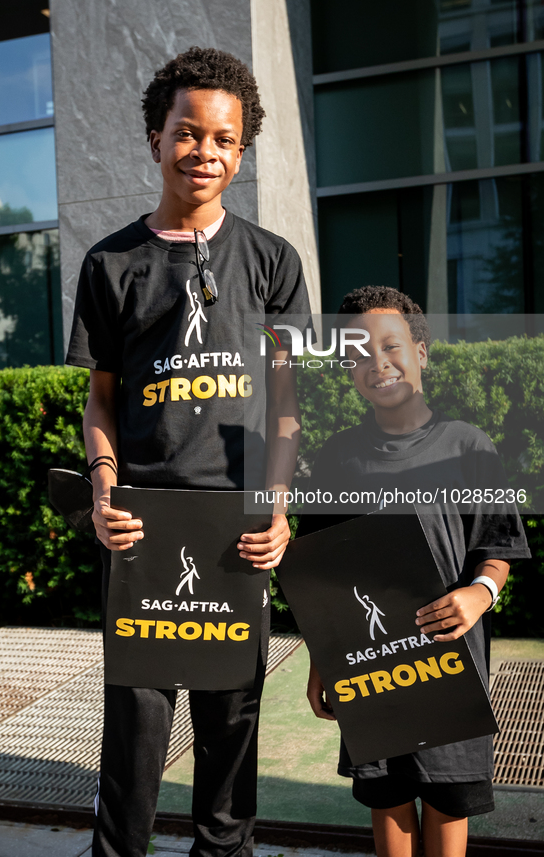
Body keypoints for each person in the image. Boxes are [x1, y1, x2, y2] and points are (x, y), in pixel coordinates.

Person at [66, 47, 310, 857]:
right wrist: (105, 490)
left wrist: (276, 511)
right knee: (134, 732)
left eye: (223, 138)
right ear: (154, 137)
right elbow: (102, 399)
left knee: (231, 727)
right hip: (141, 528)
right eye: (187, 132)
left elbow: (285, 406)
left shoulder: (274, 261)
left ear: (240, 151)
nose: (203, 150)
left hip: (236, 528)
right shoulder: (109, 263)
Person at [300, 286, 529, 857]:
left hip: (451, 665)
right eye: (358, 351)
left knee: (449, 806)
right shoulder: (336, 458)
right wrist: (321, 661)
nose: (377, 363)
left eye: (392, 345)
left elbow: (497, 545)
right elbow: (321, 573)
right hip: (372, 667)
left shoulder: (469, 447)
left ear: (421, 352)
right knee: (388, 803)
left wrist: (480, 593)